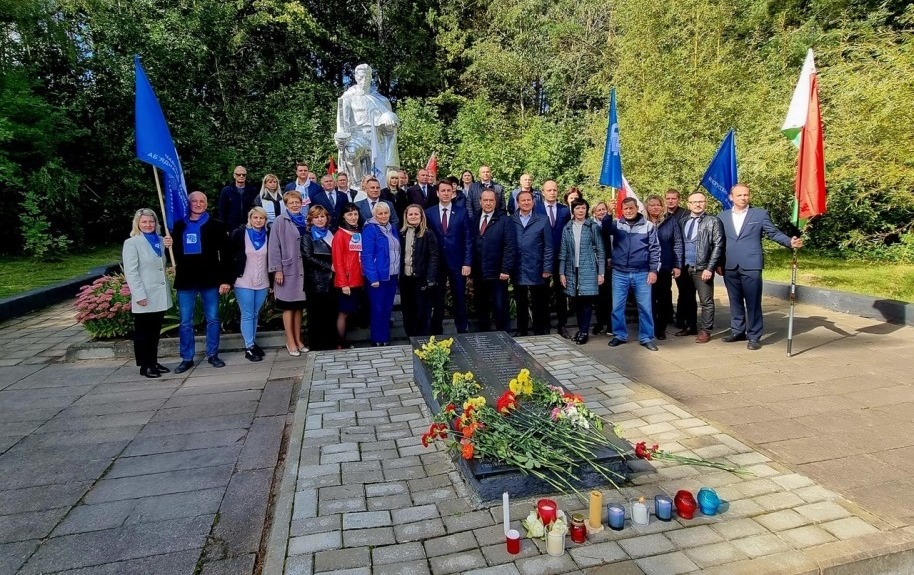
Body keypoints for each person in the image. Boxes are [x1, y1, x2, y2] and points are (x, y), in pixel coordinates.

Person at [718, 183, 802, 350]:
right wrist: (718, 264)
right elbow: (718, 242)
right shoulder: (722, 216)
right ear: (731, 197)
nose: (743, 198)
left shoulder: (759, 214)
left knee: (753, 301)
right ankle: (737, 331)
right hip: (729, 264)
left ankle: (754, 335)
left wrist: (789, 242)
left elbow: (773, 233)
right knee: (734, 301)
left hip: (751, 264)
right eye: (740, 195)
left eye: (746, 195)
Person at [172, 192, 232, 373]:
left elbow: (226, 255)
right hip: (186, 280)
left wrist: (225, 280)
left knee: (213, 319)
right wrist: (168, 242)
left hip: (210, 279)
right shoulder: (179, 225)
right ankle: (186, 358)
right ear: (189, 204)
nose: (198, 204)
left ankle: (212, 354)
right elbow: (173, 251)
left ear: (206, 204)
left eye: (202, 201)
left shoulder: (217, 226)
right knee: (185, 321)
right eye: (194, 201)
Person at [603, 196, 661, 351]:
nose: (628, 211)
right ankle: (619, 335)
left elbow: (655, 249)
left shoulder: (648, 226)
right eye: (625, 208)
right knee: (617, 307)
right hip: (619, 272)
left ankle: (646, 337)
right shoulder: (617, 224)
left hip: (642, 272)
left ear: (637, 208)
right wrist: (609, 213)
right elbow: (605, 229)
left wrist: (653, 270)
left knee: (645, 307)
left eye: (631, 208)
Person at [122, 208, 173, 378]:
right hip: (145, 294)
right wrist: (139, 295)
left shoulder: (161, 240)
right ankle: (145, 365)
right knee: (143, 331)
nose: (148, 224)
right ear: (138, 224)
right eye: (144, 222)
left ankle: (153, 360)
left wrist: (169, 247)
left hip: (160, 293)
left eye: (151, 221)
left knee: (155, 330)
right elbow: (131, 271)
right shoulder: (132, 243)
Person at [335, 63, 400, 186]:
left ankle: (376, 187)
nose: (364, 80)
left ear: (371, 77)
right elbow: (342, 124)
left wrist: (389, 119)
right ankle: (357, 184)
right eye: (361, 77)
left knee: (378, 173)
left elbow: (390, 128)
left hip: (376, 139)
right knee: (351, 152)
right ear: (355, 77)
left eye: (367, 77)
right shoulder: (348, 98)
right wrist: (340, 138)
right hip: (357, 137)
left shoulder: (381, 100)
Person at [674, 192, 724, 343]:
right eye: (694, 202)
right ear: (688, 204)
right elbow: (677, 244)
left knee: (706, 301)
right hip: (684, 267)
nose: (697, 204)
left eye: (701, 201)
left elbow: (718, 245)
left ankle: (705, 330)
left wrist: (710, 267)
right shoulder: (682, 221)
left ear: (705, 203)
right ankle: (691, 326)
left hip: (702, 268)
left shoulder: (713, 221)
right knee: (687, 299)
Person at [426, 179, 473, 334]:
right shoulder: (429, 213)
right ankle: (436, 330)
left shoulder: (462, 212)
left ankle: (462, 328)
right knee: (437, 299)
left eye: (449, 191)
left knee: (459, 297)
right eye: (443, 191)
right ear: (437, 193)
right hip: (437, 264)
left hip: (457, 262)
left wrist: (467, 262)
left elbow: (467, 239)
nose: (446, 193)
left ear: (453, 193)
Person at [559, 198, 605, 345]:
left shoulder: (592, 227)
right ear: (572, 210)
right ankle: (581, 329)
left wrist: (601, 273)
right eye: (577, 208)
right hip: (572, 270)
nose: (580, 211)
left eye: (583, 208)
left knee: (586, 302)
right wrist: (561, 273)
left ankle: (584, 332)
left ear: (586, 210)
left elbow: (601, 251)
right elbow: (563, 252)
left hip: (589, 269)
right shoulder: (567, 228)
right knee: (577, 302)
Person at [268, 190, 308, 356]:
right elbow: (273, 247)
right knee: (288, 307)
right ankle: (290, 341)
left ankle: (299, 340)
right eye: (291, 202)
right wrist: (277, 269)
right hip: (287, 270)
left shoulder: (305, 221)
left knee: (299, 307)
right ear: (286, 204)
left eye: (297, 202)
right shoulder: (280, 221)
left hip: (303, 271)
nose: (295, 205)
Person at [472, 189, 517, 332]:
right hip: (479, 272)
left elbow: (510, 246)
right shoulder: (473, 219)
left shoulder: (505, 220)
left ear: (496, 202)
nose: (488, 203)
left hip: (498, 272)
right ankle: (485, 336)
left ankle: (504, 335)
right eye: (485, 200)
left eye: (491, 200)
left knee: (500, 306)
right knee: (481, 306)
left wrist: (505, 269)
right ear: (480, 201)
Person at [511, 190, 554, 336]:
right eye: (523, 200)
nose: (526, 202)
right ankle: (521, 331)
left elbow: (549, 246)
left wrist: (547, 267)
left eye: (528, 200)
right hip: (518, 267)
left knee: (539, 303)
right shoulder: (511, 220)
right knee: (520, 302)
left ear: (533, 202)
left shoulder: (543, 220)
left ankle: (539, 331)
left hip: (537, 267)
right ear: (518, 202)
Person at [230, 207, 270, 361]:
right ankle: (249, 347)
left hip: (262, 281)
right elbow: (230, 255)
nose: (258, 221)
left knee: (255, 313)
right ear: (250, 219)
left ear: (265, 220)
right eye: (255, 218)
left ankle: (253, 343)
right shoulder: (240, 234)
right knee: (247, 314)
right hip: (243, 280)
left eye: (261, 218)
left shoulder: (269, 234)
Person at [535, 180, 571, 338]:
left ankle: (562, 325)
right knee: (541, 294)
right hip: (541, 257)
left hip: (561, 257)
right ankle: (544, 325)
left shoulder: (565, 210)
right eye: (548, 190)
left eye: (554, 190)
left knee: (561, 293)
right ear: (542, 192)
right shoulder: (536, 209)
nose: (552, 192)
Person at [361, 201, 401, 346]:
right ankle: (377, 338)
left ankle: (385, 337)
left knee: (387, 307)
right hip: (378, 277)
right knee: (377, 308)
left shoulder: (392, 228)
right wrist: (372, 277)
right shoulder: (370, 230)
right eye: (380, 213)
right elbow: (367, 255)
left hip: (392, 275)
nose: (383, 216)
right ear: (374, 215)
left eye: (386, 213)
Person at [645, 195, 683, 340]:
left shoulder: (670, 221)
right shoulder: (642, 222)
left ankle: (661, 328)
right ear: (647, 207)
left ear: (662, 206)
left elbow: (678, 243)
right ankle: (650, 325)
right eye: (652, 205)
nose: (655, 207)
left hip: (665, 266)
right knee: (649, 298)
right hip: (646, 267)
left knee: (664, 298)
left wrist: (677, 265)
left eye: (658, 205)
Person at [399, 204, 439, 337]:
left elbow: (434, 256)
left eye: (416, 214)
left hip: (421, 279)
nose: (413, 216)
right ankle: (410, 336)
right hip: (406, 279)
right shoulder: (401, 233)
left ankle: (422, 339)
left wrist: (430, 278)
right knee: (407, 310)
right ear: (406, 216)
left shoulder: (428, 233)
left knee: (422, 311)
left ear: (421, 216)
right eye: (410, 214)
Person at [301, 205, 336, 351]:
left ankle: (331, 344)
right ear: (311, 220)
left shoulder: (332, 234)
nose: (320, 220)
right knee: (316, 316)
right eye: (316, 217)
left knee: (330, 314)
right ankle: (317, 347)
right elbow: (307, 257)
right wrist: (329, 266)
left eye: (322, 216)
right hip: (315, 282)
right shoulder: (307, 236)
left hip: (332, 281)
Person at [331, 203, 364, 348]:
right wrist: (343, 283)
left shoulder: (357, 231)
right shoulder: (340, 234)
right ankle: (340, 344)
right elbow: (337, 261)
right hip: (346, 281)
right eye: (349, 214)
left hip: (357, 278)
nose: (353, 217)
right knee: (343, 313)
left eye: (355, 214)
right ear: (343, 216)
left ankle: (344, 342)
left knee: (349, 312)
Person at [590, 201, 612, 336]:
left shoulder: (611, 224)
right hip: (595, 264)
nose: (602, 212)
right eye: (599, 210)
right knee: (598, 297)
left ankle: (610, 324)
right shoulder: (590, 226)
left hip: (609, 265)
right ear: (593, 213)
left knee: (609, 296)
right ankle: (600, 322)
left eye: (604, 209)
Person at [218, 165, 259, 231]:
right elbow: (222, 211)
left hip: (249, 226)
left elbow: (255, 209)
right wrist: (224, 228)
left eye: (244, 174)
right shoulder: (226, 191)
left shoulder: (252, 191)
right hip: (231, 227)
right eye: (238, 174)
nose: (241, 176)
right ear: (234, 175)